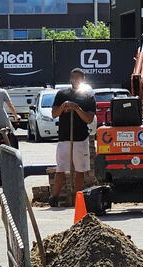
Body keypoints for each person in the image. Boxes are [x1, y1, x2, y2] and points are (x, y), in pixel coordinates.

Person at [49, 68, 96, 207]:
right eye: (73, 77)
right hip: (64, 137)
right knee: (61, 169)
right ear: (70, 78)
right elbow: (54, 114)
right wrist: (63, 106)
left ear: (83, 79)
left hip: (80, 137)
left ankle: (78, 199)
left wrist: (77, 109)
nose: (75, 80)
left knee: (80, 170)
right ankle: (54, 197)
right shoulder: (62, 94)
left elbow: (88, 119)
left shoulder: (88, 96)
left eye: (78, 78)